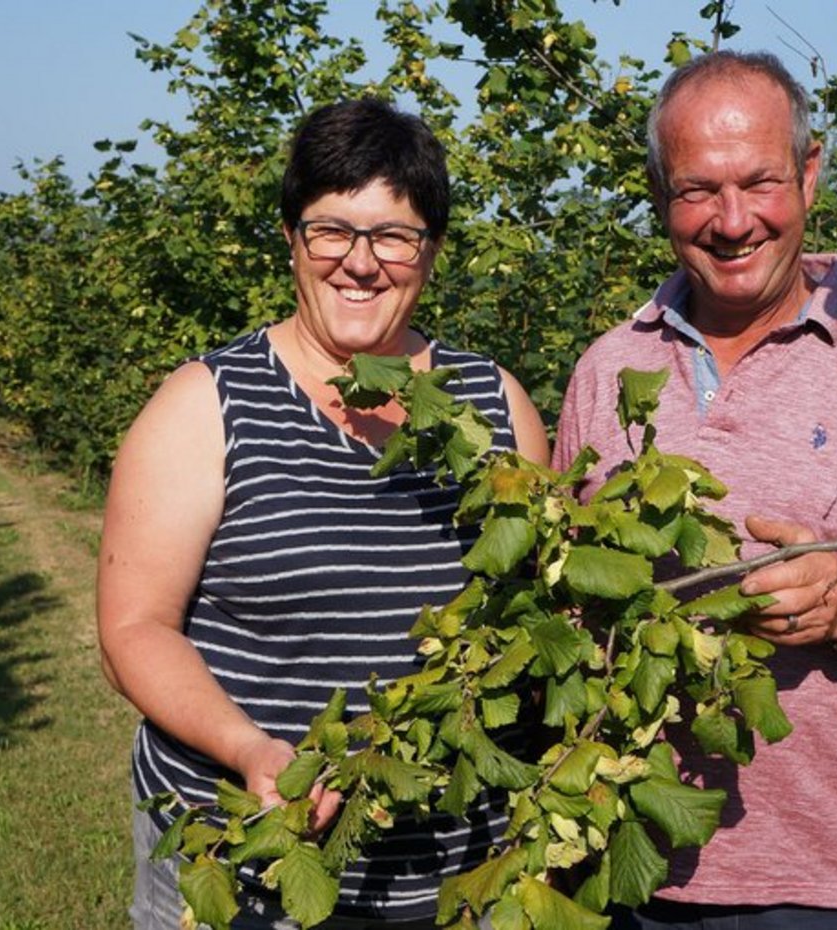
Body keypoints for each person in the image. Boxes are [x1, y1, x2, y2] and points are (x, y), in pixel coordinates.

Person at [553, 51, 837, 929]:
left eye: (760, 181)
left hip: (826, 887)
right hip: (620, 873)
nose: (732, 221)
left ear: (809, 173)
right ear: (660, 194)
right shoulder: (608, 367)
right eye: (697, 190)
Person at [97, 97, 549, 930]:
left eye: (394, 235)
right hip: (246, 858)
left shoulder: (495, 404)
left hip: (455, 879)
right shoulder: (206, 406)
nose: (361, 262)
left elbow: (530, 619)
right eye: (331, 230)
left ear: (433, 251)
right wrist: (249, 750)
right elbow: (135, 629)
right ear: (290, 239)